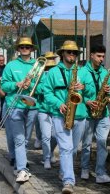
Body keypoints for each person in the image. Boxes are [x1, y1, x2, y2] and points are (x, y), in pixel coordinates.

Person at [43, 41, 95, 193]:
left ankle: (64, 171)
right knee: (66, 148)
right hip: (60, 115)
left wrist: (84, 87)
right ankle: (68, 182)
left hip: (80, 115)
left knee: (72, 150)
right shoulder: (53, 72)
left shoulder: (83, 72)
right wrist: (58, 103)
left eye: (75, 53)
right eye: (69, 52)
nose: (72, 55)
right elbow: (47, 92)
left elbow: (91, 92)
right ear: (62, 53)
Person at [1, 37, 38, 183]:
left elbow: (42, 87)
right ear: (18, 49)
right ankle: (22, 168)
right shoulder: (11, 65)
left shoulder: (37, 65)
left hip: (33, 106)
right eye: (22, 47)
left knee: (26, 139)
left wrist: (31, 85)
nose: (24, 49)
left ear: (32, 49)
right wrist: (17, 84)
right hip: (15, 104)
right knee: (19, 139)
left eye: (27, 47)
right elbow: (4, 86)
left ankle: (19, 162)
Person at [81, 44, 110, 183]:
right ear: (91, 55)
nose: (101, 59)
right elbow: (76, 93)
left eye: (103, 56)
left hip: (103, 113)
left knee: (102, 142)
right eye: (99, 56)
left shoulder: (105, 73)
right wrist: (87, 101)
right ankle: (85, 169)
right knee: (86, 143)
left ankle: (100, 173)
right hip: (87, 113)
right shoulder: (82, 72)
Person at [35, 52, 58, 169]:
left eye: (52, 66)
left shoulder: (57, 74)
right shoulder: (39, 74)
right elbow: (35, 89)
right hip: (43, 109)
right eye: (48, 66)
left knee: (56, 136)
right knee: (45, 136)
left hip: (55, 109)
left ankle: (50, 152)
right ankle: (46, 158)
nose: (50, 68)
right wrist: (44, 89)